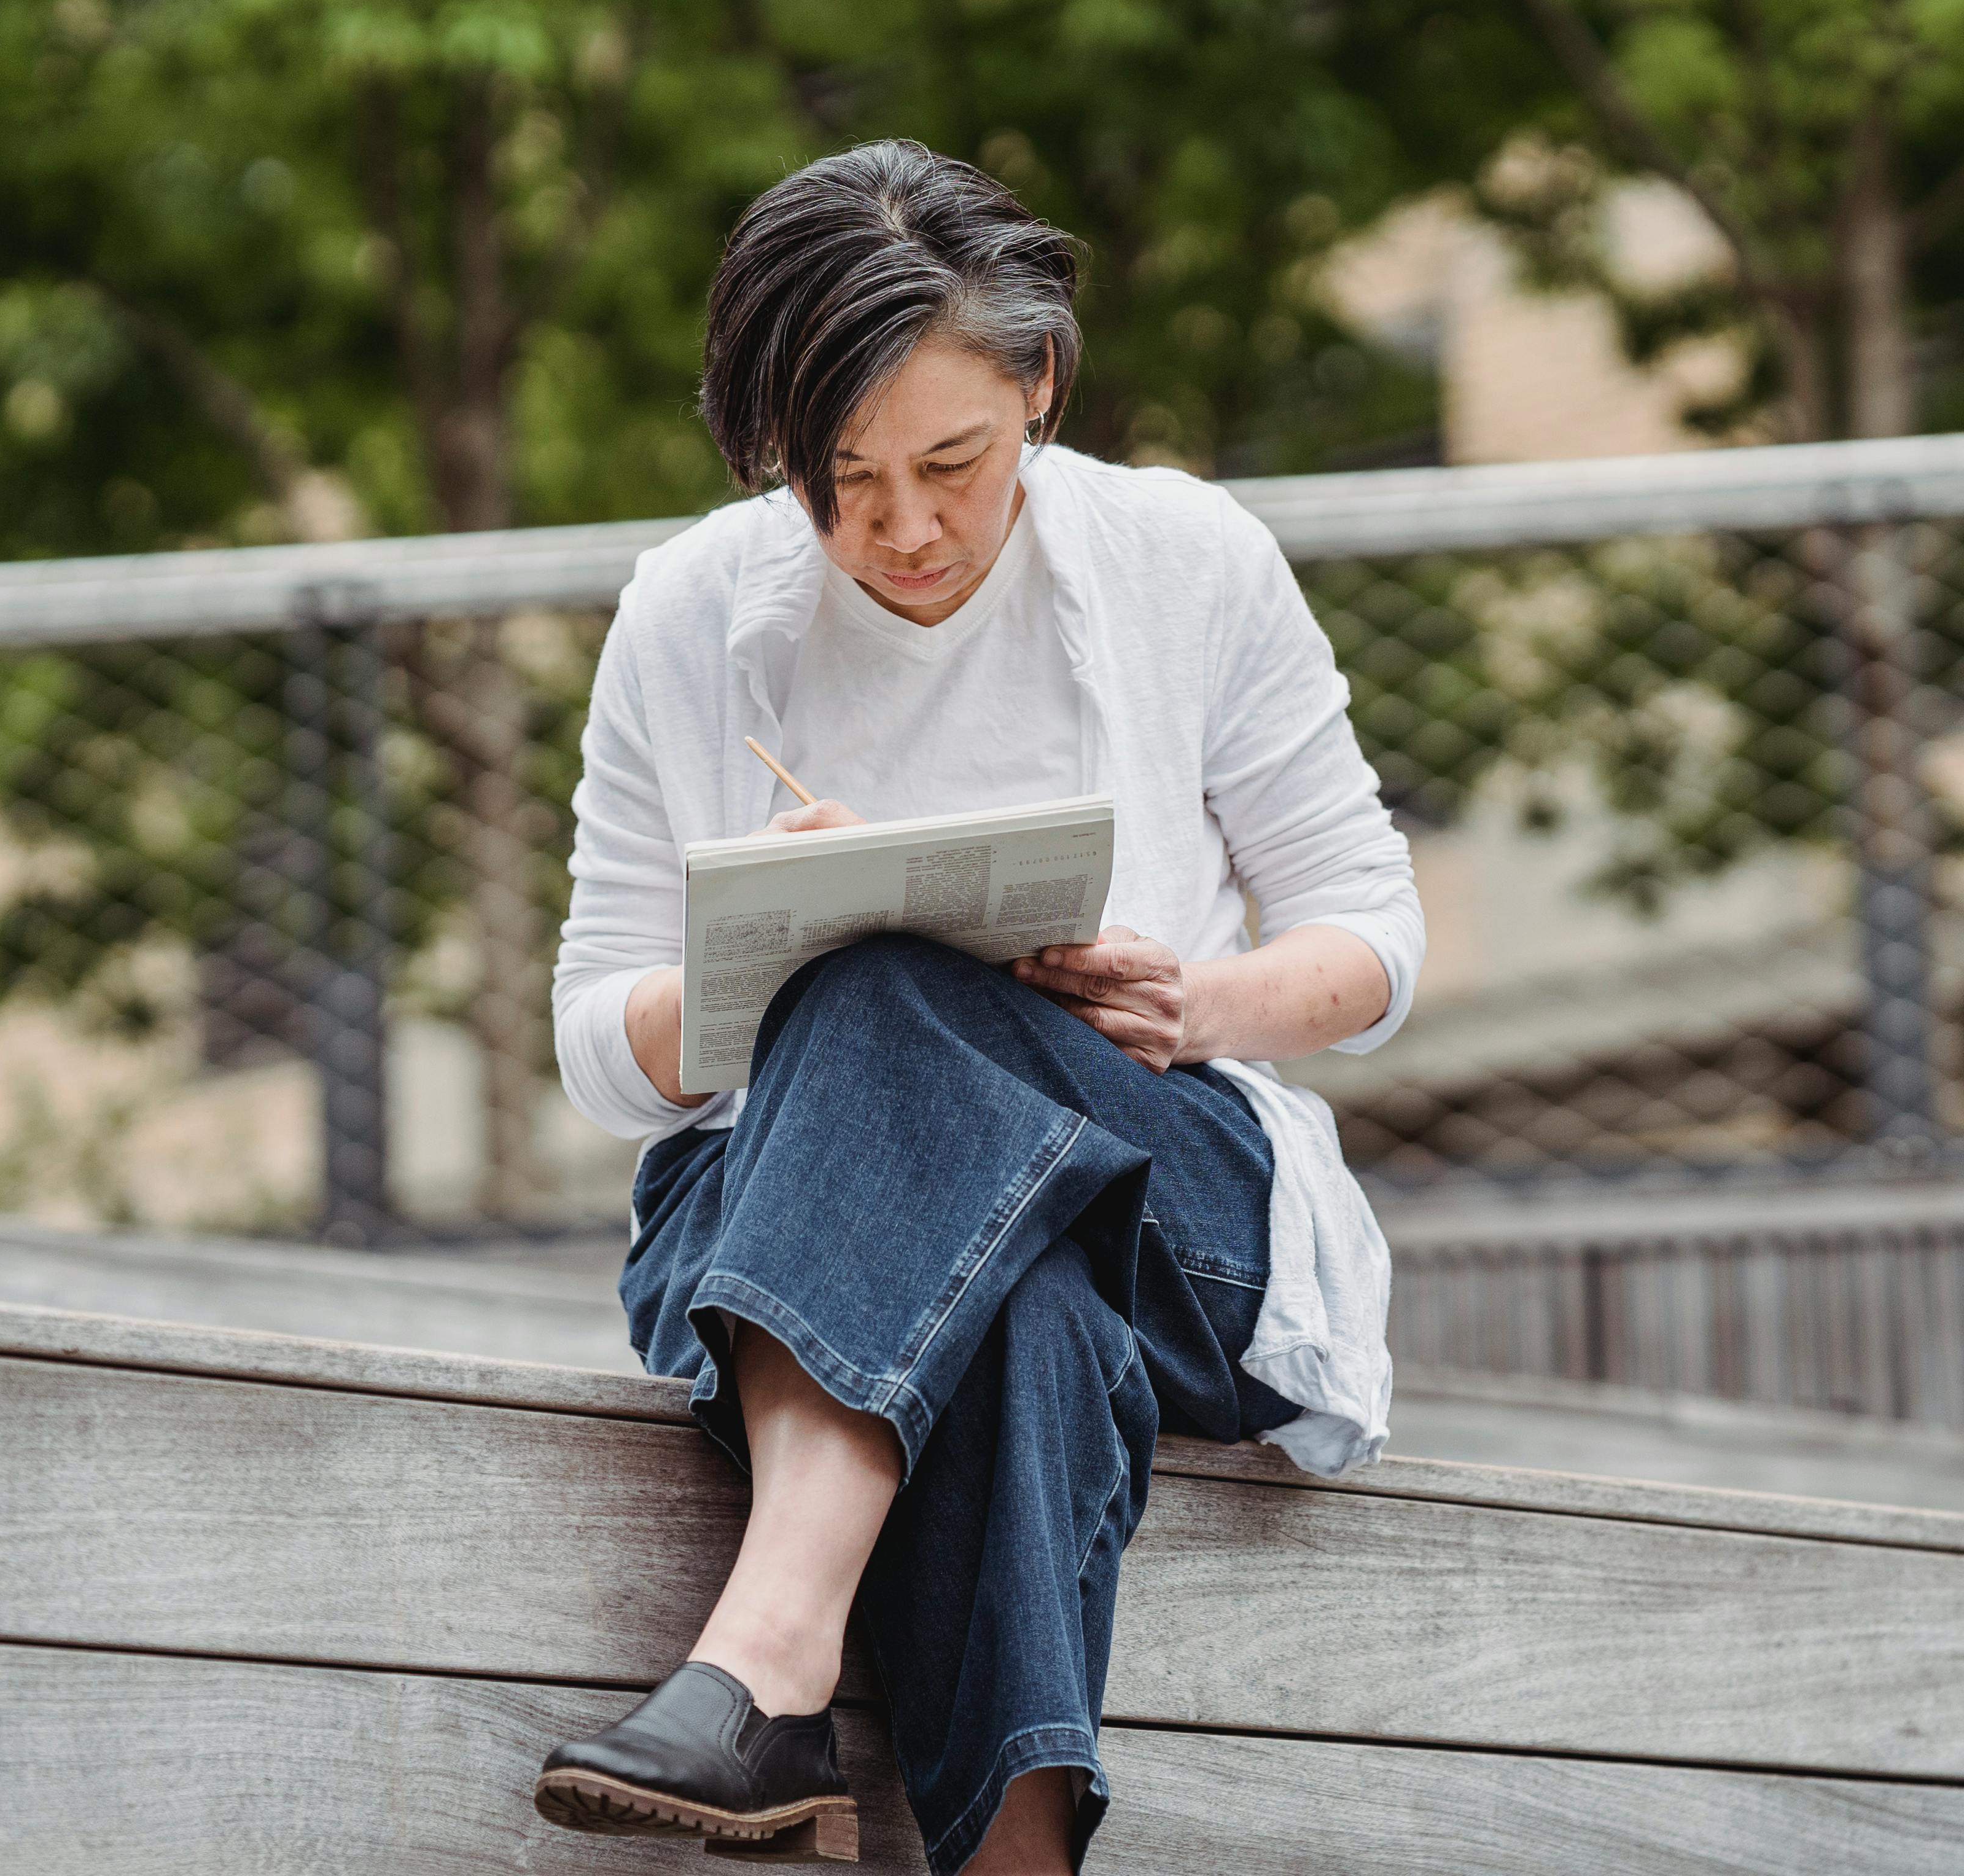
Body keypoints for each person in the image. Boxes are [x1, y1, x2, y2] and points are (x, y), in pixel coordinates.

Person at [529, 140, 1414, 1874]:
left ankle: (764, 1660)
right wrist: (750, 968)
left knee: (900, 1014)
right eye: (839, 481)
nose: (907, 529)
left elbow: (1376, 945)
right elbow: (590, 1037)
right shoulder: (689, 613)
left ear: (1042, 388)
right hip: (778, 1218)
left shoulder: (1185, 559)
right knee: (1019, 1307)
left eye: (955, 463)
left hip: (1172, 1186)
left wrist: (1198, 1001)